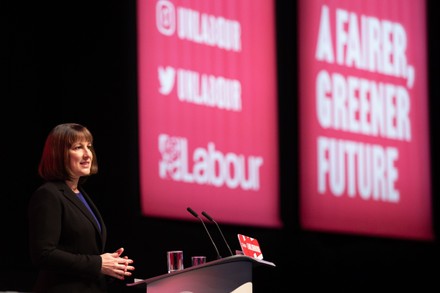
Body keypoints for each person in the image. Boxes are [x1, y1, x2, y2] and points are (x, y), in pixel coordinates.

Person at [28, 123, 135, 293]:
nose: (87, 154)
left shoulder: (80, 194)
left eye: (89, 146)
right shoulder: (49, 194)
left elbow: (82, 252)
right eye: (78, 147)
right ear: (59, 154)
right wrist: (98, 263)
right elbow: (43, 254)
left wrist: (112, 265)